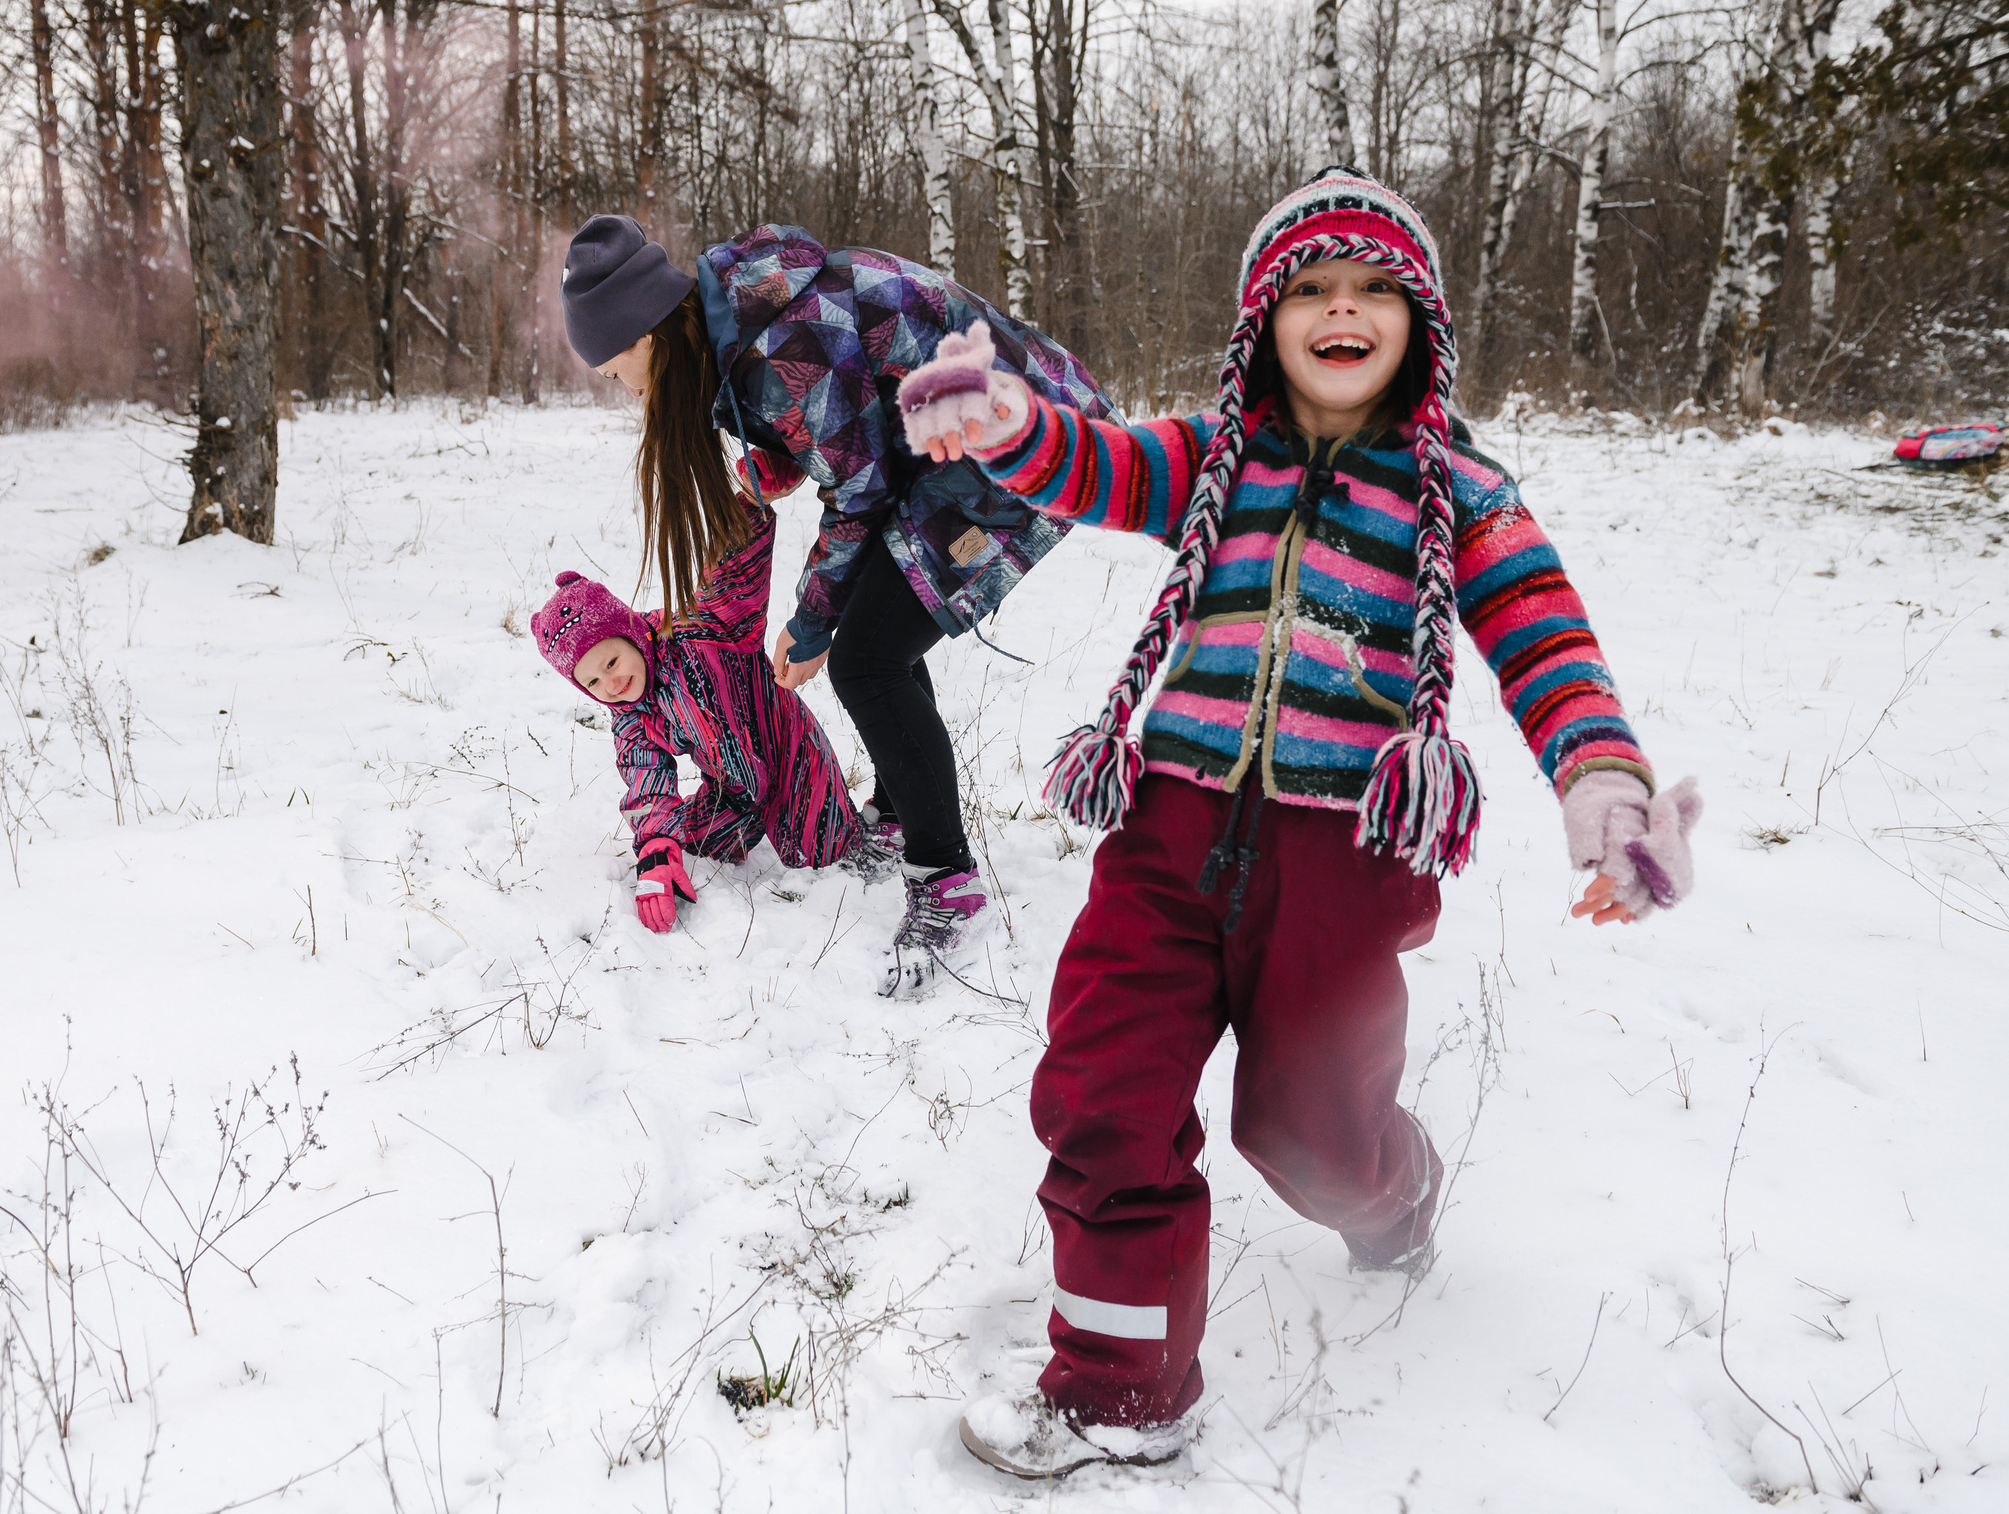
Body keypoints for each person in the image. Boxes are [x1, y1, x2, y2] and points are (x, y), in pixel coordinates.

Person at [897, 167, 1704, 1478]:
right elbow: (1088, 463)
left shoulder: (1462, 493)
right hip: (1167, 837)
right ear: (1263, 323)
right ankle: (1120, 1391)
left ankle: (1395, 1200)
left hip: (1343, 868)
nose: (1341, 309)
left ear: (1419, 322)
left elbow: (1549, 643)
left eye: (1372, 289)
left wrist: (1603, 785)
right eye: (1310, 290)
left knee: (1307, 1133)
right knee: (1103, 1089)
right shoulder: (1215, 455)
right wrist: (997, 416)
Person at [557, 213, 1120, 994]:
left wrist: (811, 618)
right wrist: (791, 457)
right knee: (875, 639)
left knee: (863, 657)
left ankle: (943, 879)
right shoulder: (735, 328)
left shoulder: (778, 339)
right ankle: (899, 812)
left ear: (648, 333)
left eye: (618, 371)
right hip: (947, 448)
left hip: (1016, 438)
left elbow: (859, 482)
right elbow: (851, 429)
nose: (626, 390)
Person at [532, 499, 893, 935]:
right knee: (693, 842)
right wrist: (657, 851)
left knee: (823, 857)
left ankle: (879, 823)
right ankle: (697, 837)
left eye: (610, 663)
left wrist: (749, 504)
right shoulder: (631, 715)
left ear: (627, 632)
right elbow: (646, 776)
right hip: (733, 787)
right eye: (591, 682)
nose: (610, 685)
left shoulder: (701, 632)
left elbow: (733, 576)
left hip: (791, 755)